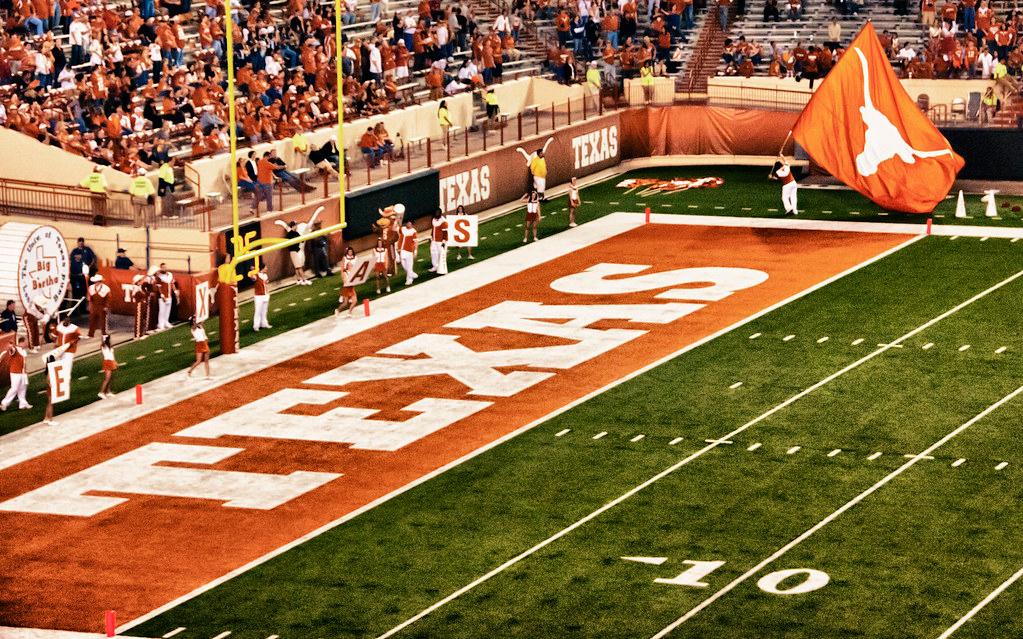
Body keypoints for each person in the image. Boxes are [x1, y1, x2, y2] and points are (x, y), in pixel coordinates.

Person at [0, 336, 31, 412]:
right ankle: (4, 403)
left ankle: (23, 404)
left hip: (22, 372)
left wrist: (26, 370)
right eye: (26, 342)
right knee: (14, 388)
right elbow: (11, 350)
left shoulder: (23, 351)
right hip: (15, 372)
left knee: (23, 387)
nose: (27, 344)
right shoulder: (15, 349)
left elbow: (24, 362)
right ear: (22, 342)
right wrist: (10, 346)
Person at [69, 237, 96, 304]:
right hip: (75, 276)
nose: (80, 244)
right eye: (79, 243)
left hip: (83, 276)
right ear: (77, 243)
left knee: (83, 291)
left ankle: (83, 308)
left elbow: (93, 259)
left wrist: (88, 267)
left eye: (82, 243)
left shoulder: (87, 250)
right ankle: (75, 309)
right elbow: (69, 261)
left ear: (83, 243)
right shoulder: (74, 251)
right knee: (75, 292)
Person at [335, 247, 359, 318]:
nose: (351, 266)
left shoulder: (353, 273)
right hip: (347, 288)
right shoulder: (345, 273)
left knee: (355, 301)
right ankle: (338, 310)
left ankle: (349, 313)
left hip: (351, 287)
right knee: (345, 303)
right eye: (350, 265)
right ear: (347, 266)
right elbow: (345, 280)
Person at [86, 274, 111, 338]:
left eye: (97, 281)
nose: (96, 282)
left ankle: (104, 333)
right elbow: (89, 297)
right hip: (94, 306)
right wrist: (89, 299)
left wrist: (106, 306)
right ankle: (90, 334)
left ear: (100, 281)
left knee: (103, 320)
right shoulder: (91, 287)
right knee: (92, 320)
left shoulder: (106, 288)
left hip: (102, 306)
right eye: (95, 281)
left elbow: (108, 298)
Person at [155, 263, 177, 330]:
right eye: (163, 267)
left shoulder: (170, 274)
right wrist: (162, 295)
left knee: (168, 310)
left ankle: (166, 322)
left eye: (165, 267)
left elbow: (172, 283)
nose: (164, 268)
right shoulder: (158, 276)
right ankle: (160, 324)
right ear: (160, 268)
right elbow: (158, 287)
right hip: (163, 296)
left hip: (169, 294)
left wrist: (175, 291)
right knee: (162, 310)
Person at [131, 273, 152, 339]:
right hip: (139, 305)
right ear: (137, 281)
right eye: (140, 280)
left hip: (142, 304)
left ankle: (141, 333)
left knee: (142, 319)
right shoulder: (136, 289)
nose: (142, 281)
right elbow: (137, 297)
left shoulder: (140, 287)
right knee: (138, 319)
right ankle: (137, 335)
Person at [252, 263, 272, 331]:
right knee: (258, 311)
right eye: (266, 267)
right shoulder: (256, 275)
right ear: (262, 268)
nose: (267, 268)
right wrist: (252, 272)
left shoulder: (265, 275)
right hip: (258, 296)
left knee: (264, 311)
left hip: (266, 295)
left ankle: (264, 323)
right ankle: (256, 326)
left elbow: (266, 283)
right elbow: (253, 278)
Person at [399, 220, 419, 286]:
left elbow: (416, 242)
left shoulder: (414, 231)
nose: (408, 224)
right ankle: (412, 274)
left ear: (412, 225)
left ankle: (409, 280)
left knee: (409, 266)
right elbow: (398, 227)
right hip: (402, 250)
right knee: (404, 265)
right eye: (407, 223)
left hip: (409, 250)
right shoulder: (403, 228)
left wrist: (415, 251)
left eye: (409, 223)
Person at [429, 209, 448, 275]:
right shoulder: (433, 219)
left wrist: (444, 241)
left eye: (438, 213)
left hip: (441, 241)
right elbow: (433, 229)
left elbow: (445, 232)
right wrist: (431, 237)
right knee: (433, 253)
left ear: (440, 213)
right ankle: (435, 266)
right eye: (435, 212)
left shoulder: (443, 221)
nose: (436, 214)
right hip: (434, 240)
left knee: (441, 254)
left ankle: (443, 269)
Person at [98, 334, 116, 399]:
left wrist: (115, 361)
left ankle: (108, 392)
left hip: (111, 362)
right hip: (107, 362)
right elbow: (102, 342)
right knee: (107, 378)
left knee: (110, 378)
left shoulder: (110, 346)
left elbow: (112, 354)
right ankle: (101, 392)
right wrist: (103, 338)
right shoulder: (103, 346)